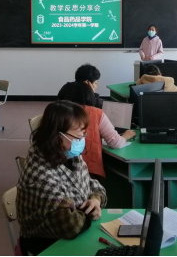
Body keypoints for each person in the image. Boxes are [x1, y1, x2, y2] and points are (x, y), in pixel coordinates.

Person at [17, 101, 107, 256]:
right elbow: (71, 225)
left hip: (73, 230)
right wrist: (91, 212)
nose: (82, 139)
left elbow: (92, 184)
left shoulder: (69, 154)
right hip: (46, 242)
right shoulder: (41, 174)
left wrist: (95, 200)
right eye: (78, 135)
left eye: (83, 134)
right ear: (57, 136)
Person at [62, 82, 136, 179]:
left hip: (59, 163)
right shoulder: (95, 113)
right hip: (89, 170)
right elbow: (116, 143)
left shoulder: (56, 113)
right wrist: (126, 136)